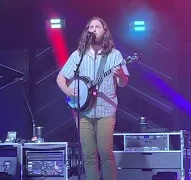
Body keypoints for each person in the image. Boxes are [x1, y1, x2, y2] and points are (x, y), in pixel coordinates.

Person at [56, 17, 129, 180]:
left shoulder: (115, 55)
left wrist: (122, 75)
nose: (93, 29)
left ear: (105, 32)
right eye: (91, 26)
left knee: (105, 153)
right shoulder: (78, 55)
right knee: (88, 155)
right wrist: (68, 91)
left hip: (106, 110)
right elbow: (60, 78)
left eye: (98, 26)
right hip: (83, 113)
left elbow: (123, 83)